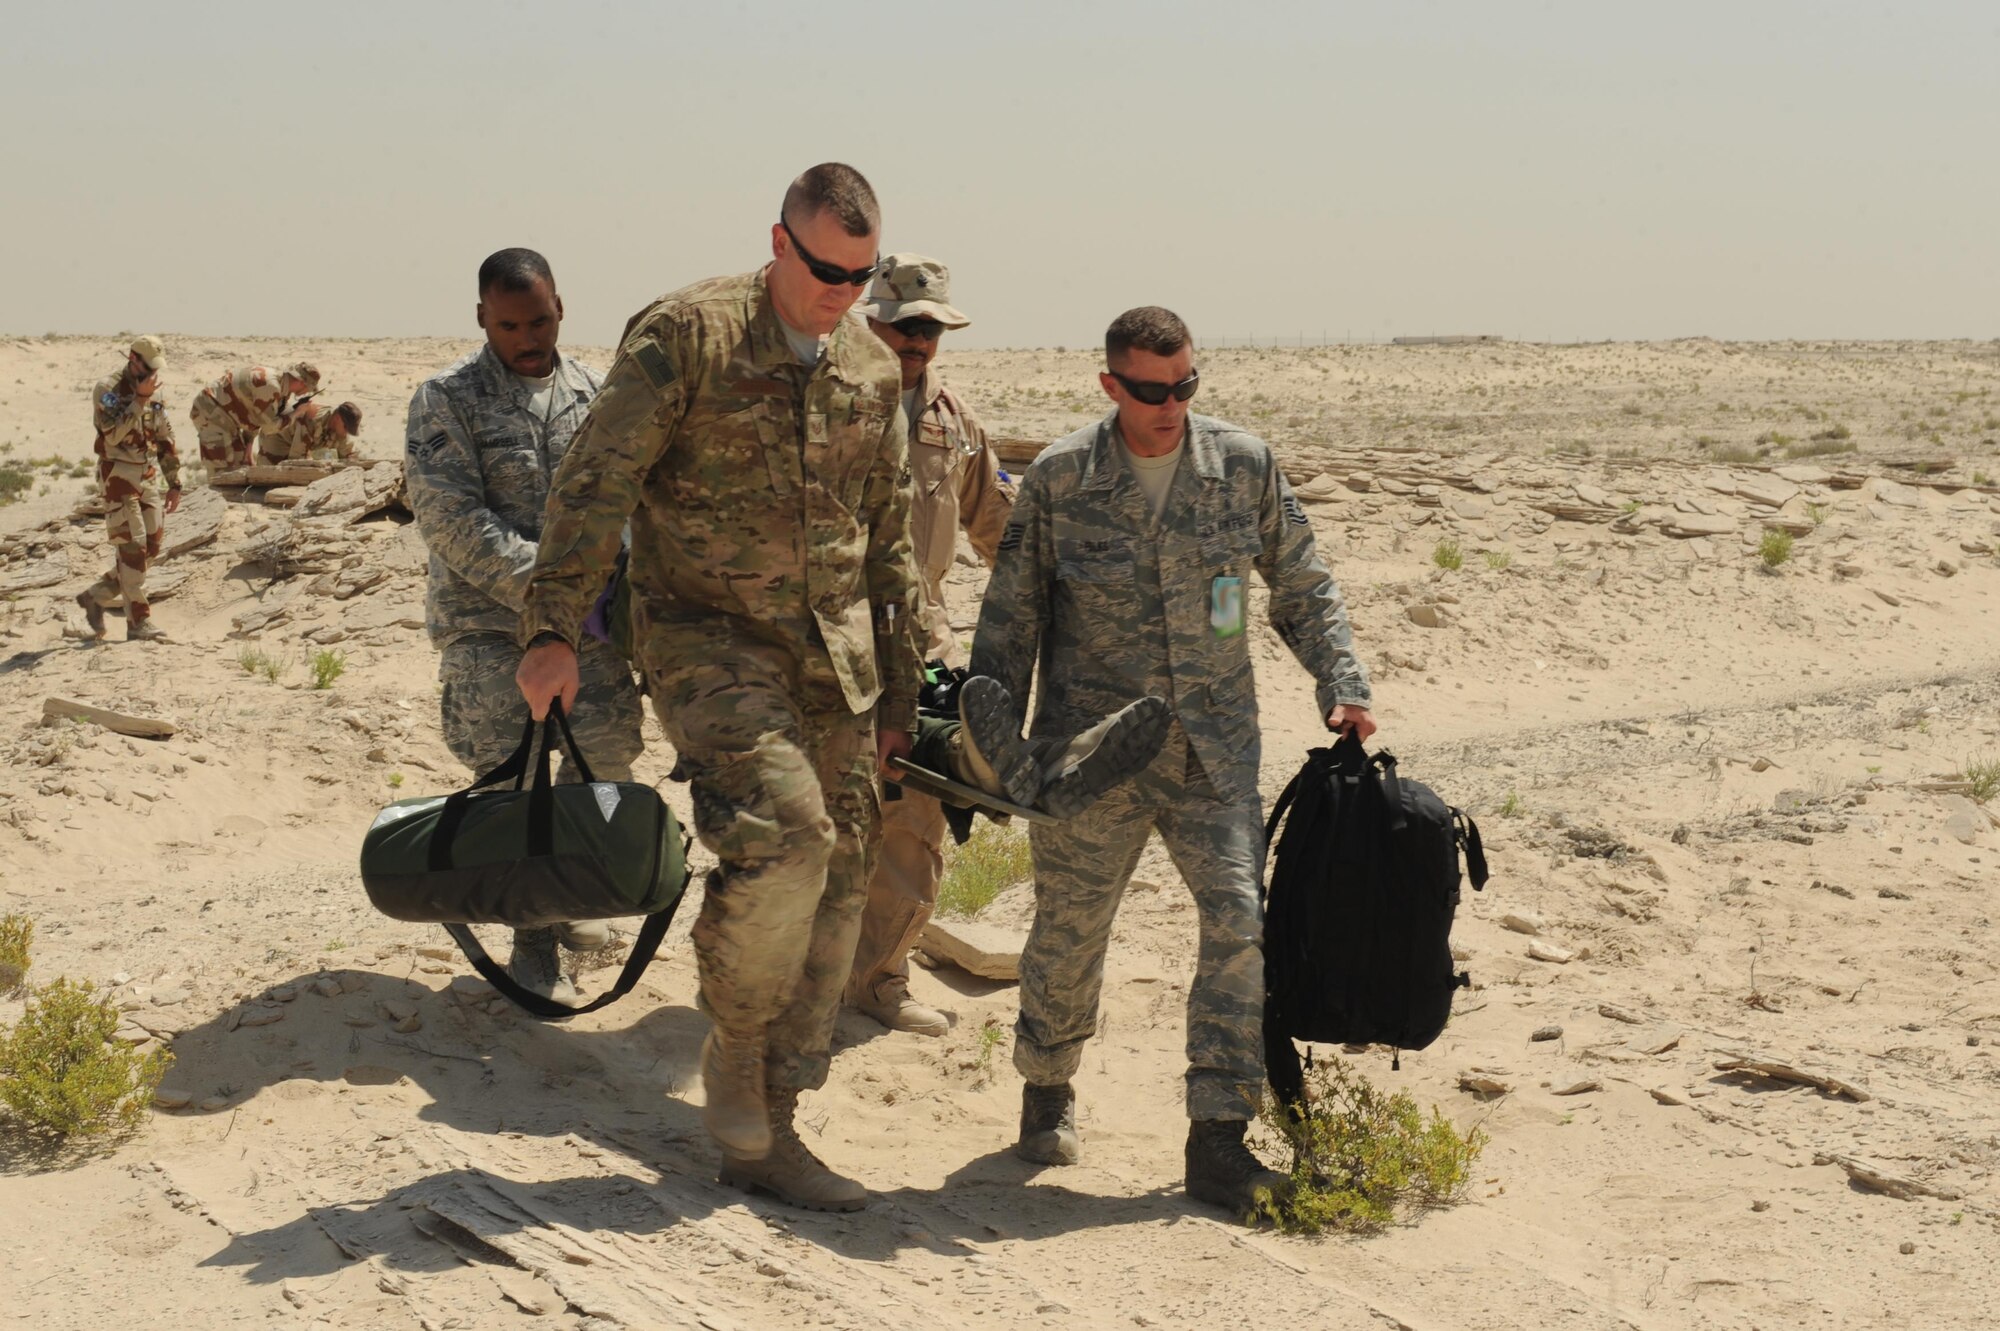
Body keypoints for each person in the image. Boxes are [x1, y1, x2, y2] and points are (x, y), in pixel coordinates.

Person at [516, 163, 923, 1213]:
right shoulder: (686, 336)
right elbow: (594, 480)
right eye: (827, 269)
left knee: (841, 869)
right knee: (788, 835)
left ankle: (772, 1124)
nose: (842, 291)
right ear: (780, 244)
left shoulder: (872, 370)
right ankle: (736, 1048)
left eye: (861, 273)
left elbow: (884, 538)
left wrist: (901, 692)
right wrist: (553, 624)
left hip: (833, 655)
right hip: (707, 637)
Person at [968, 305, 1377, 1220]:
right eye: (1151, 391)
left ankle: (1218, 1137)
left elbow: (1302, 583)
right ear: (1111, 385)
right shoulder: (1063, 479)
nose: (1171, 405)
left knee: (1237, 921)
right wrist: (996, 752)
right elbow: (1010, 622)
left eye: (1186, 385)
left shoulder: (1242, 465)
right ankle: (1047, 1083)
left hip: (1212, 748)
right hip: (1090, 756)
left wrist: (1340, 682)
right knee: (1069, 935)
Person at [404, 248, 645, 1004]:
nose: (527, 336)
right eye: (509, 324)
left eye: (538, 319)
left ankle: (567, 899)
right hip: (490, 628)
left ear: (561, 308)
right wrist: (554, 588)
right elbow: (450, 518)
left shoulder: (594, 396)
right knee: (513, 778)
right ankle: (531, 935)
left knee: (603, 763)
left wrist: (608, 588)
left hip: (586, 628)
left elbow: (622, 503)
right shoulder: (446, 399)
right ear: (482, 318)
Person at [845, 254, 1013, 1038]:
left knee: (916, 819)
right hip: (829, 641)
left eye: (931, 330)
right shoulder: (823, 400)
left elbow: (998, 527)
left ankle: (880, 979)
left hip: (923, 646)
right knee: (817, 819)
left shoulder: (950, 418)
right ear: (870, 319)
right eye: (904, 326)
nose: (917, 343)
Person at [76, 335, 182, 643]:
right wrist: (138, 400)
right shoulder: (107, 390)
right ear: (133, 360)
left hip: (147, 476)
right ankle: (139, 622)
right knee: (132, 546)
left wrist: (174, 482)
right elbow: (112, 435)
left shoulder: (154, 393)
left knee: (150, 547)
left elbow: (164, 439)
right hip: (117, 475)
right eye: (148, 367)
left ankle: (95, 596)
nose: (152, 374)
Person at [189, 361, 320, 470]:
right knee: (221, 470)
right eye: (309, 388)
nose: (307, 392)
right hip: (210, 413)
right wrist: (296, 413)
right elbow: (269, 427)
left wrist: (248, 449)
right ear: (302, 382)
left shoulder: (282, 389)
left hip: (228, 418)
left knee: (239, 467)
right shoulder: (270, 386)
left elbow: (256, 418)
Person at [259, 400, 360, 464]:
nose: (347, 433)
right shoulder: (312, 420)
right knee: (271, 478)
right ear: (337, 418)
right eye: (346, 428)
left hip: (298, 444)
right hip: (276, 436)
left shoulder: (339, 430)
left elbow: (347, 454)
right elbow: (297, 460)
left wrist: (351, 459)